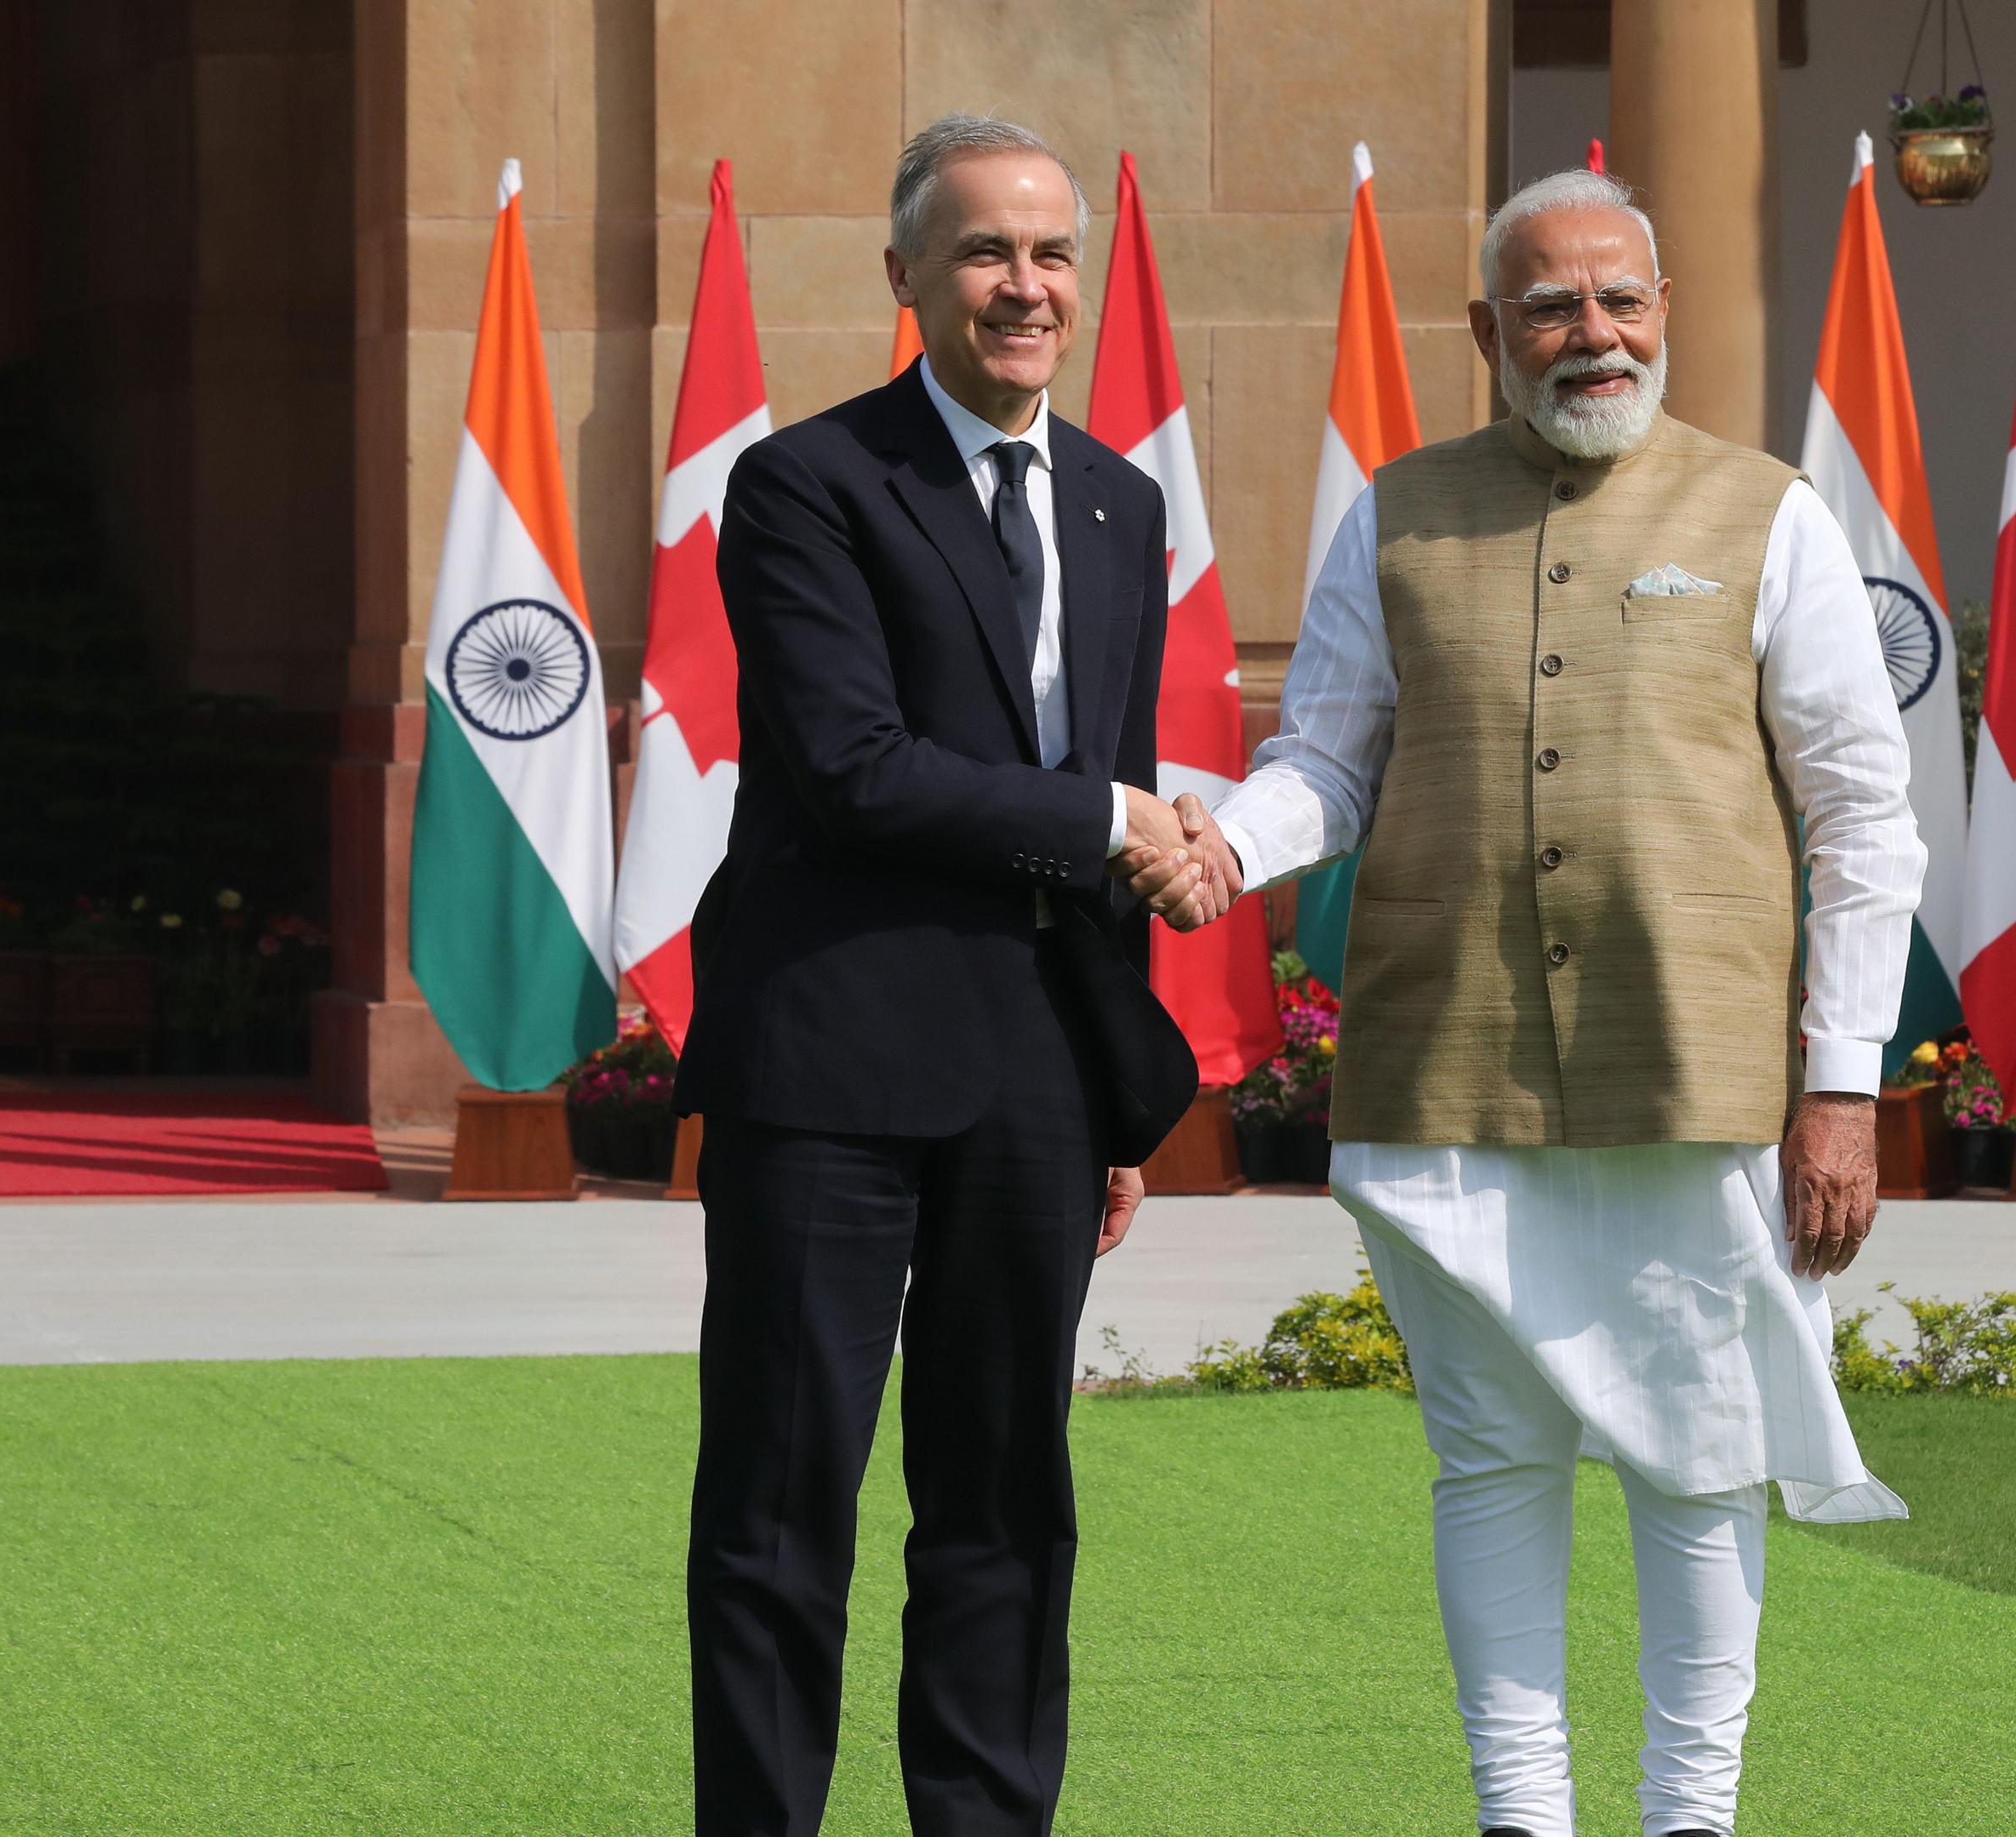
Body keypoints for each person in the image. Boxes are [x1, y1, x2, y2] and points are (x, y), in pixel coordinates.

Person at [1134, 167, 1926, 1837]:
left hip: (1692, 1067)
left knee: (1699, 1451)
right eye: (1554, 305)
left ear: (1663, 313)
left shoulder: (1769, 512)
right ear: (1489, 329)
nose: (1594, 333)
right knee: (1489, 1458)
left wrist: (1841, 1079)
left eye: (1621, 299)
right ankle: (1520, 1815)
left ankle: (1689, 1817)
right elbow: (1326, 764)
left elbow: (1862, 813)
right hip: (1449, 1070)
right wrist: (1224, 850)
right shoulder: (1397, 509)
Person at [673, 114, 1216, 1837]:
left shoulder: (1125, 503)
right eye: (986, 252)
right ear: (905, 277)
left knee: (1004, 1499)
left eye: (1053, 254)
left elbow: (1097, 821)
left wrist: (1117, 1092)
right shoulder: (807, 485)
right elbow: (855, 767)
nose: (1025, 285)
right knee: (782, 1502)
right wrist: (1116, 814)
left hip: (1038, 1089)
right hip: (826, 1065)